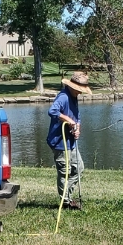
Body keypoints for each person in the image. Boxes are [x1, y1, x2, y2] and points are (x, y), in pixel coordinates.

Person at [47, 72, 91, 209]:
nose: (80, 93)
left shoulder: (74, 97)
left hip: (70, 141)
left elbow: (77, 117)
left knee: (79, 168)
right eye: (79, 90)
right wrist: (69, 120)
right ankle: (65, 202)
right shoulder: (64, 97)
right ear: (72, 86)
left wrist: (77, 128)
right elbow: (52, 111)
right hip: (59, 142)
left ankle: (67, 197)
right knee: (64, 171)